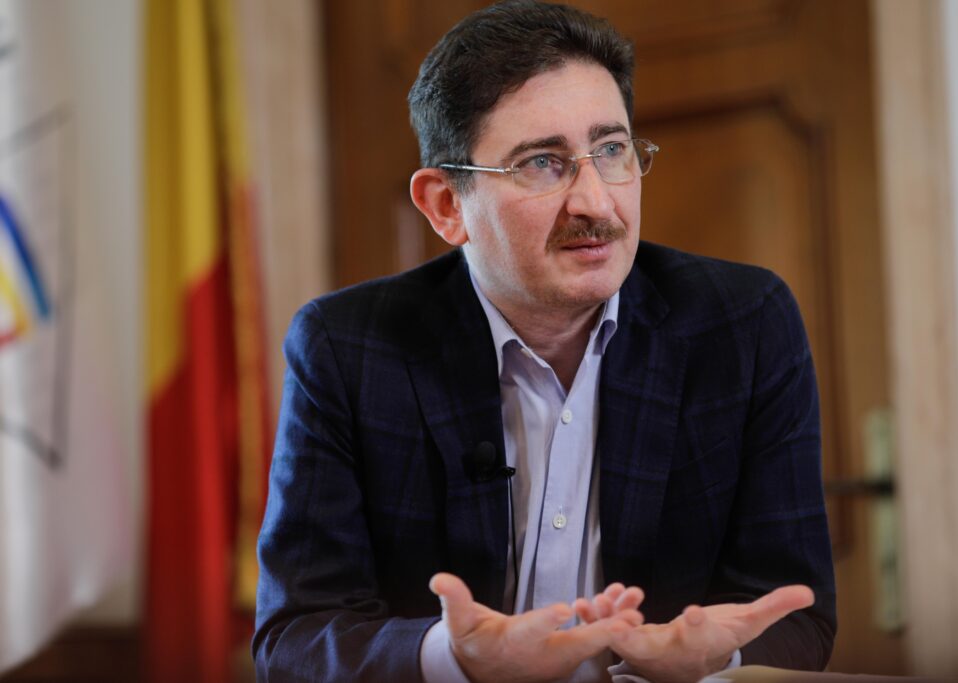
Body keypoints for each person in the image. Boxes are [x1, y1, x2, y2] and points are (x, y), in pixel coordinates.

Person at [253, 1, 836, 681]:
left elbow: (795, 615)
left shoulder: (744, 325)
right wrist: (454, 658)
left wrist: (715, 660)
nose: (597, 202)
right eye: (541, 162)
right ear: (446, 205)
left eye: (612, 151)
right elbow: (294, 637)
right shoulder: (347, 349)